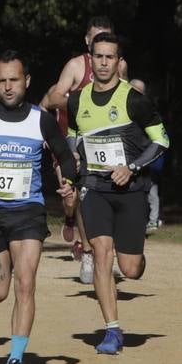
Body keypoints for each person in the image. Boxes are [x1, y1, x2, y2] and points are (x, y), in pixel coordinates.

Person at [0, 50, 79, 364]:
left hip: (27, 213)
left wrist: (69, 182)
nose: (8, 86)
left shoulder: (40, 119)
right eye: (1, 80)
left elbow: (65, 156)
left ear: (26, 82)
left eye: (14, 79)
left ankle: (15, 360)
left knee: (25, 283)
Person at [67, 33, 167, 354]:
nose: (104, 63)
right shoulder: (76, 99)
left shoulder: (134, 99)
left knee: (130, 269)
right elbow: (72, 135)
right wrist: (76, 156)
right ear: (91, 59)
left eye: (110, 57)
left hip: (130, 190)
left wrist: (133, 168)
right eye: (99, 57)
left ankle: (136, 257)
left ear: (119, 62)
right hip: (94, 188)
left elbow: (161, 140)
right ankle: (112, 330)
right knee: (100, 253)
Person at [42, 16, 130, 284]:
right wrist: (80, 100)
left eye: (106, 36)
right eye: (96, 37)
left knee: (111, 192)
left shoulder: (121, 65)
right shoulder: (76, 65)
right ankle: (89, 253)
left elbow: (125, 96)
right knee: (79, 195)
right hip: (76, 138)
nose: (101, 43)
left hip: (109, 139)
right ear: (87, 41)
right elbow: (54, 96)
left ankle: (106, 253)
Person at [129, 79, 163, 232]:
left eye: (139, 91)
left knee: (150, 192)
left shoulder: (147, 110)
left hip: (146, 160)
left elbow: (159, 140)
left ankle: (152, 221)